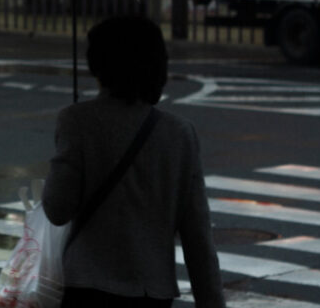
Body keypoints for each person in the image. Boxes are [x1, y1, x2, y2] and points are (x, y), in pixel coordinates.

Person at [42, 16, 225, 308]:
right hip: (151, 293)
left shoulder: (77, 121)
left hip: (86, 289)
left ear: (98, 64)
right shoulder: (179, 134)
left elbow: (56, 209)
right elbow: (198, 237)